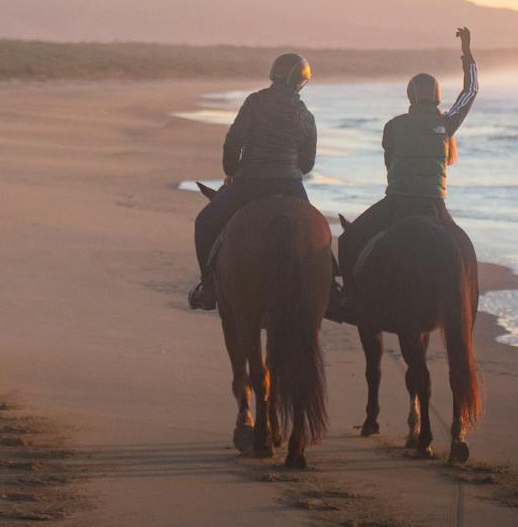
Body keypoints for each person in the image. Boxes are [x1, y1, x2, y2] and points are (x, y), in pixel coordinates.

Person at [329, 27, 478, 323]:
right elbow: (470, 91)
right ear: (437, 97)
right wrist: (467, 52)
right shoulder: (447, 124)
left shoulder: (394, 126)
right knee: (463, 254)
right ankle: (469, 305)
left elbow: (389, 163)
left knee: (348, 242)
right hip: (435, 205)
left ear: (410, 96)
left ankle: (350, 299)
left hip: (397, 202)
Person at [188, 52, 318, 311]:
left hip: (249, 182)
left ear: (273, 74)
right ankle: (330, 293)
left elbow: (233, 141)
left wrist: (232, 171)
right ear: (301, 82)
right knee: (316, 233)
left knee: (204, 223)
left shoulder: (255, 102)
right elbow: (307, 163)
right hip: (290, 186)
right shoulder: (305, 115)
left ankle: (209, 288)